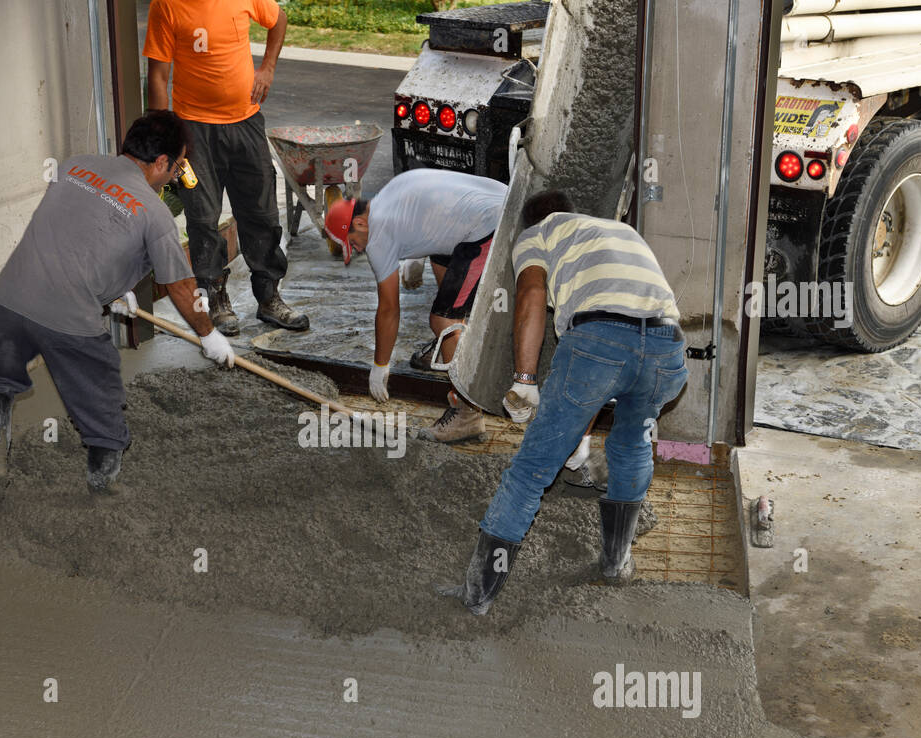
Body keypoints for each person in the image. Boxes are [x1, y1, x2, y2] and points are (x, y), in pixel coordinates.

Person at [0, 110, 236, 503]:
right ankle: (104, 485)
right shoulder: (155, 211)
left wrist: (113, 287)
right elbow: (180, 286)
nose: (174, 176)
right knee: (101, 395)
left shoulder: (75, 166)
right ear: (161, 162)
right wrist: (208, 334)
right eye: (177, 167)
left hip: (9, 297)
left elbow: (75, 231)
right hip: (69, 317)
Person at [455, 189, 689, 613]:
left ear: (533, 221)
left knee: (530, 470)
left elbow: (529, 298)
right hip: (667, 348)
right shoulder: (620, 230)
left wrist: (525, 380)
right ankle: (616, 563)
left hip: (599, 340)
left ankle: (477, 597)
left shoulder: (538, 234)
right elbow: (629, 329)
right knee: (630, 445)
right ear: (573, 212)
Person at [143, 0, 308, 335]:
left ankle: (269, 298)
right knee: (202, 218)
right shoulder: (167, 5)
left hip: (246, 123)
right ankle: (216, 300)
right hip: (194, 130)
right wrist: (166, 141)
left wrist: (268, 68)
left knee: (261, 213)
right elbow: (158, 77)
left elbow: (279, 20)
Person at [324, 168, 507, 442]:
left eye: (353, 243)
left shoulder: (378, 235)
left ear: (360, 224)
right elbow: (435, 206)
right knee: (440, 265)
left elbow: (388, 309)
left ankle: (468, 414)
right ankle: (455, 345)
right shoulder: (391, 191)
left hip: (490, 224)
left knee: (442, 320)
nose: (359, 250)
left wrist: (380, 364)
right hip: (506, 199)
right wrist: (415, 255)